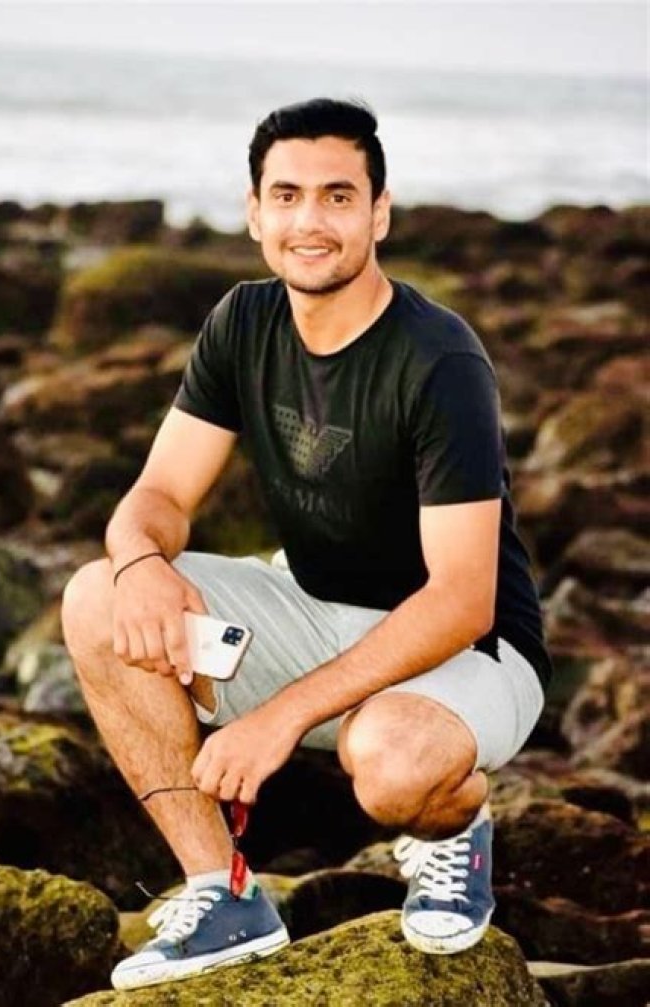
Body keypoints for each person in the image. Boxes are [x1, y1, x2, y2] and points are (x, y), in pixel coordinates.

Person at [62, 97, 552, 992]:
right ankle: (223, 893)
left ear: (379, 213)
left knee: (393, 764)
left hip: (470, 648)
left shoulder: (439, 361)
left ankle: (459, 827)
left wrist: (277, 718)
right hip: (311, 610)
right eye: (286, 196)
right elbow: (159, 495)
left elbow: (461, 597)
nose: (310, 221)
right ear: (255, 214)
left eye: (337, 196)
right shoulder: (244, 323)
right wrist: (140, 565)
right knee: (98, 596)